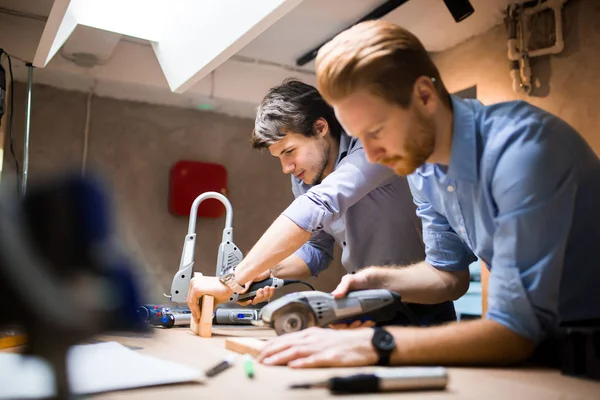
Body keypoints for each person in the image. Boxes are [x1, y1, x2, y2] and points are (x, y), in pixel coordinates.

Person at [255, 20, 600, 368]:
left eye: (376, 131)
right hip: (546, 345)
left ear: (424, 96)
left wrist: (374, 343)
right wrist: (377, 280)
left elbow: (516, 331)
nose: (372, 156)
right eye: (361, 136)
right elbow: (448, 276)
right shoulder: (424, 170)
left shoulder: (522, 153)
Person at [186, 79, 457, 327]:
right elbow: (317, 250)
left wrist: (234, 278)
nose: (286, 167)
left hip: (423, 304)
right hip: (367, 304)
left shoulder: (373, 152)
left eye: (289, 151)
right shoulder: (305, 178)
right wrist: (267, 272)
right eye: (279, 157)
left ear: (320, 127)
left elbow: (319, 205)